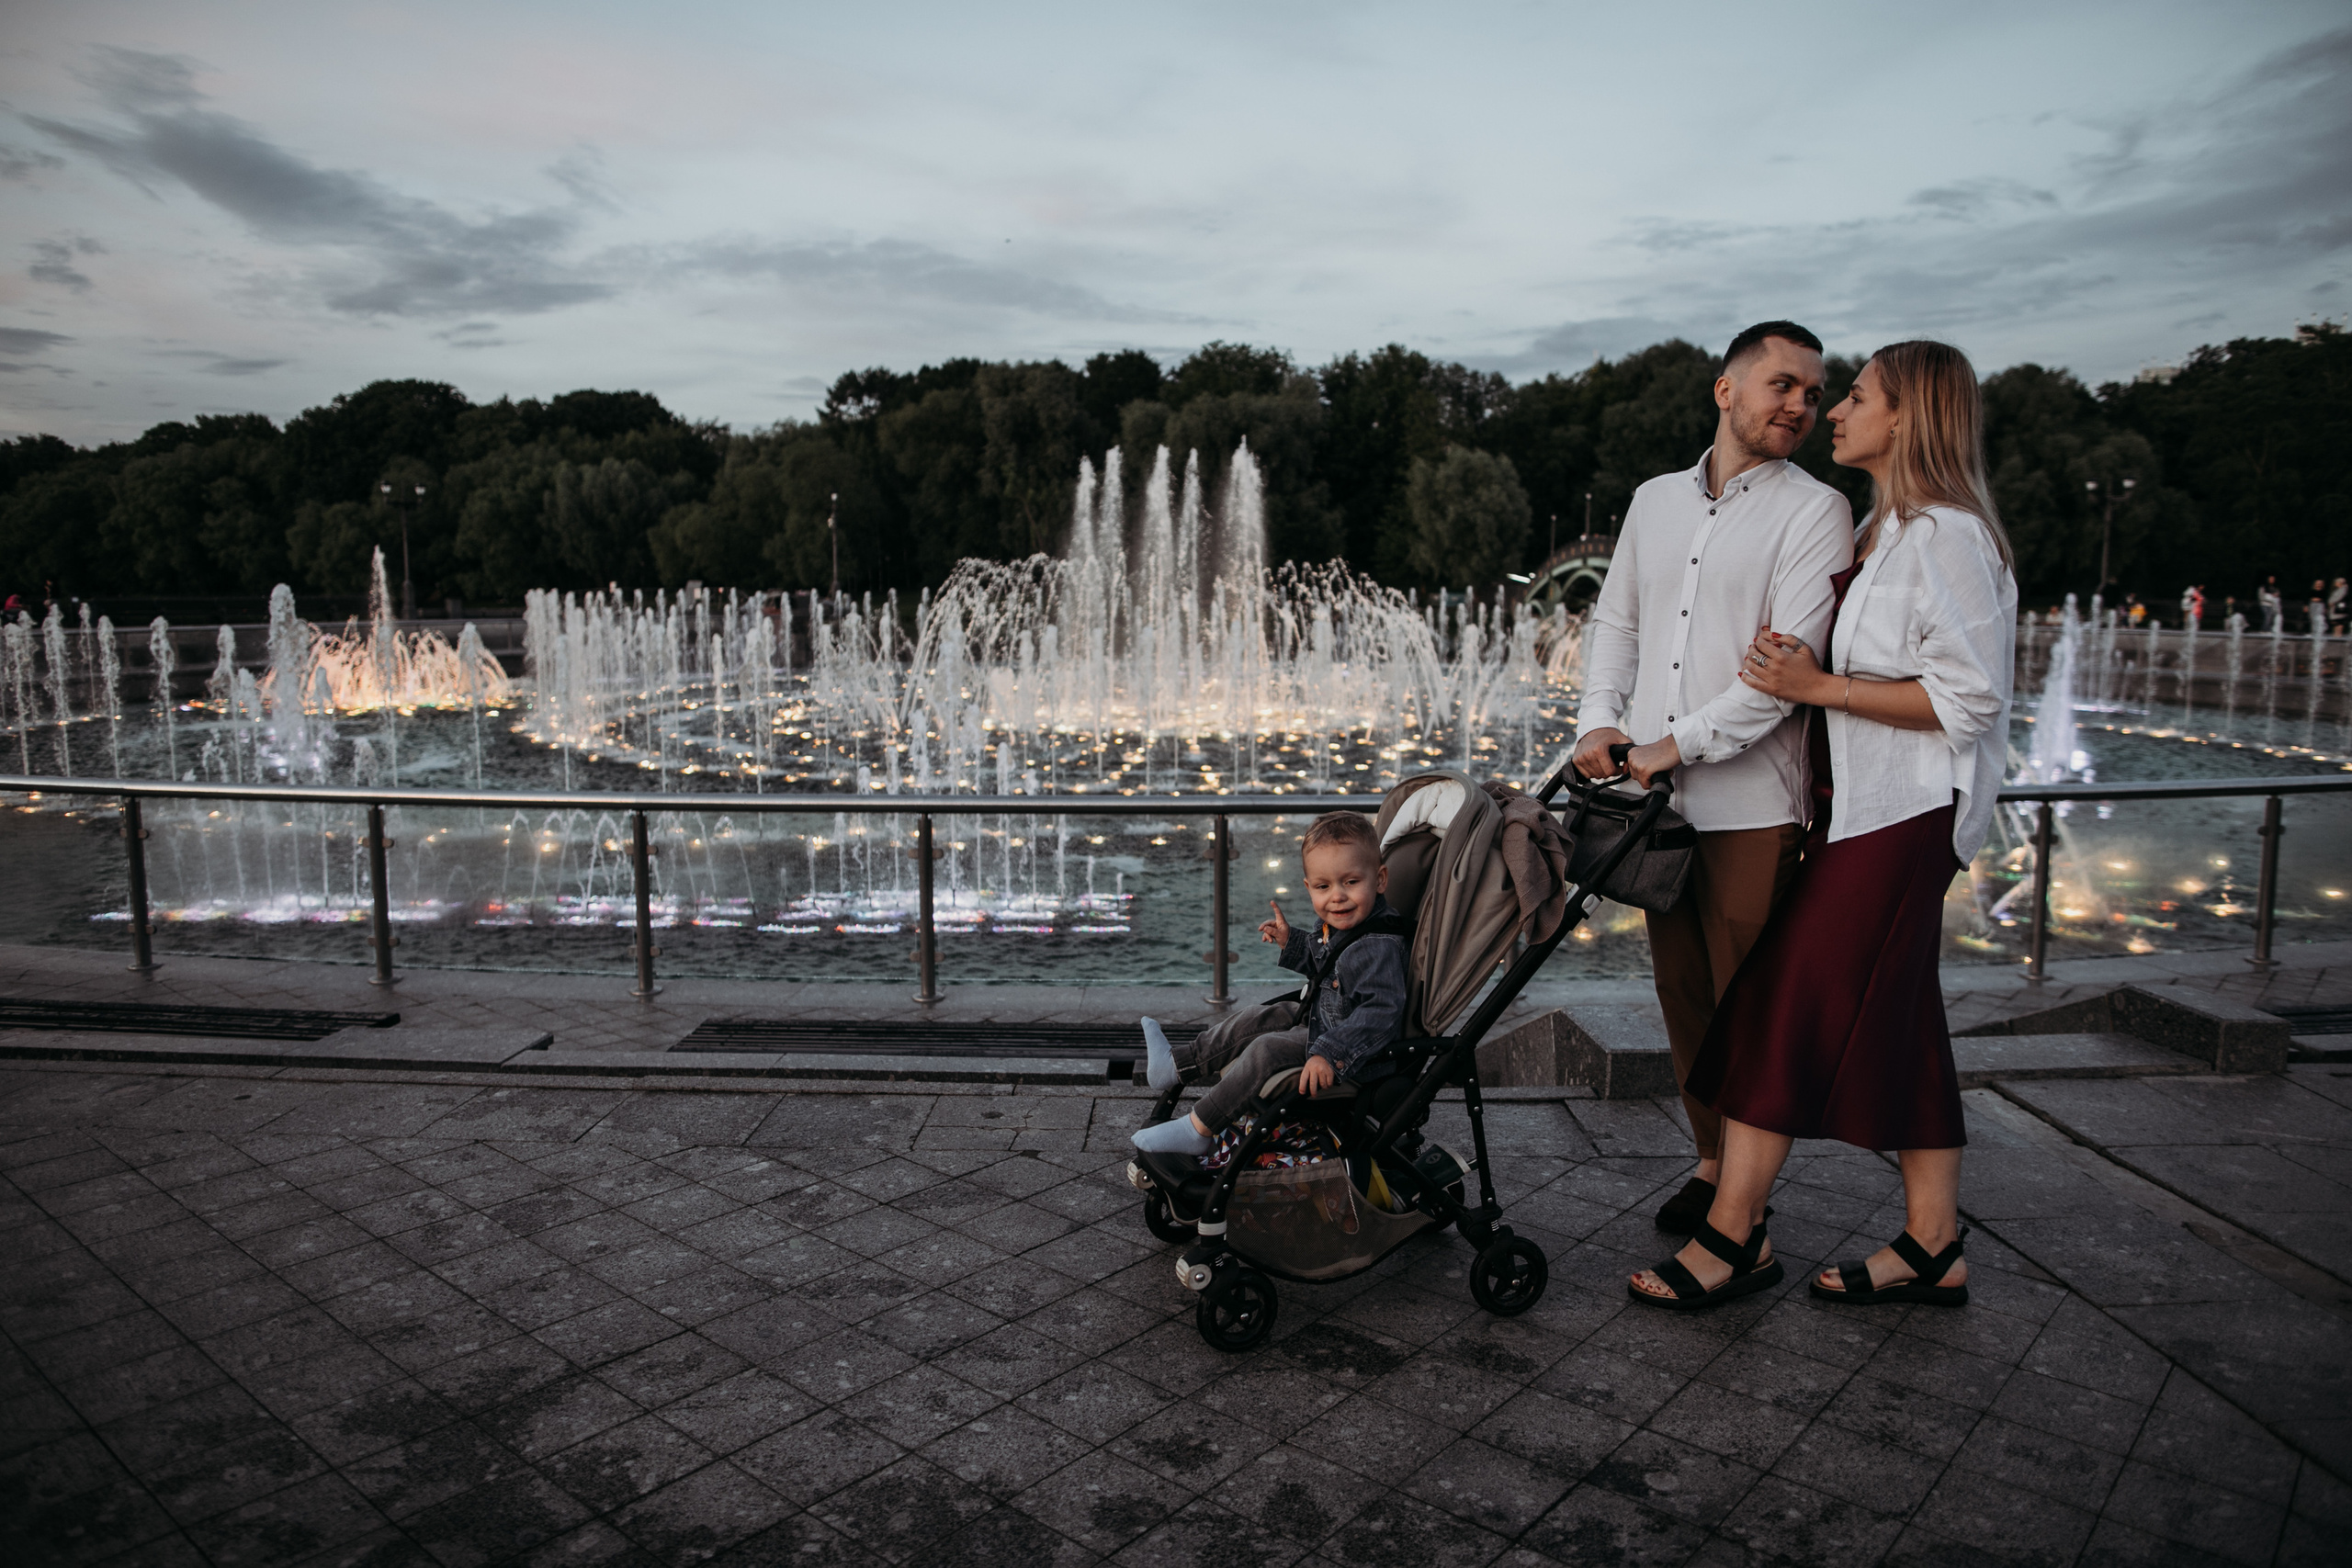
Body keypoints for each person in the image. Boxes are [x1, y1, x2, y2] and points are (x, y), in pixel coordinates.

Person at [1628, 339, 2018, 1311]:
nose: (1831, 411)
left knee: (1774, 1007)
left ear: (1908, 418)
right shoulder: (1893, 531)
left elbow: (1969, 700)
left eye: (1852, 395)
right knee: (1911, 1028)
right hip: (1863, 815)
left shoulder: (1949, 538)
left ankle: (1734, 1235)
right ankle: (1932, 1244)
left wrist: (1816, 686)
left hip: (1904, 818)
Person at [1571, 321, 1854, 1235]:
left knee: (1748, 1008)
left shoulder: (1815, 512)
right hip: (1653, 809)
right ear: (1725, 390)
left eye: (1814, 393)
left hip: (1747, 806)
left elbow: (1782, 676)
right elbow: (1614, 624)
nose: (1800, 407)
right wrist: (1600, 723)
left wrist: (1671, 744)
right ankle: (1710, 1163)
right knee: (1683, 997)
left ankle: (1745, 1203)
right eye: (1782, 385)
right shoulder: (1655, 500)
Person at [1131, 811, 1409, 1156]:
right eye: (1324, 887)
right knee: (1258, 1017)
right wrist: (1291, 941)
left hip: (1355, 1053)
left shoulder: (1377, 945)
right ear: (1309, 888)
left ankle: (1200, 1127)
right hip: (1325, 1021)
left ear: (1380, 879)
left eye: (1351, 882)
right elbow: (1329, 969)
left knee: (1268, 1049)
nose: (1337, 896)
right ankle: (1176, 1065)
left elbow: (1380, 1012)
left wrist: (1330, 1054)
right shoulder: (1346, 927)